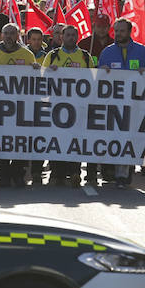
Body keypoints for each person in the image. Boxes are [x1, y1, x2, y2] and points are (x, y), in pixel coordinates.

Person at [98, 18, 145, 187]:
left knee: (129, 139)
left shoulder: (141, 51)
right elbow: (97, 79)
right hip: (112, 106)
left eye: (121, 31)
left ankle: (124, 173)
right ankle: (110, 169)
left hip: (135, 106)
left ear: (129, 32)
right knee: (113, 138)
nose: (118, 34)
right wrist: (101, 72)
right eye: (116, 31)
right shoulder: (107, 52)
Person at [0, 23, 39, 188]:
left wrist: (36, 69)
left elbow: (35, 81)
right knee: (1, 142)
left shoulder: (27, 55)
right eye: (5, 33)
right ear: (1, 35)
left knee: (19, 142)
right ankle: (3, 175)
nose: (8, 36)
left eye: (12, 33)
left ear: (17, 36)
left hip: (21, 108)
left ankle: (18, 174)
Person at [44, 26, 93, 187]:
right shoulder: (53, 55)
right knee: (57, 140)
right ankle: (57, 173)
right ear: (61, 37)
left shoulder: (85, 56)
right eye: (68, 35)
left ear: (77, 37)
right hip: (57, 106)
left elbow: (92, 81)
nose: (71, 38)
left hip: (78, 107)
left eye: (73, 35)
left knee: (76, 140)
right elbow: (43, 78)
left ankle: (75, 172)